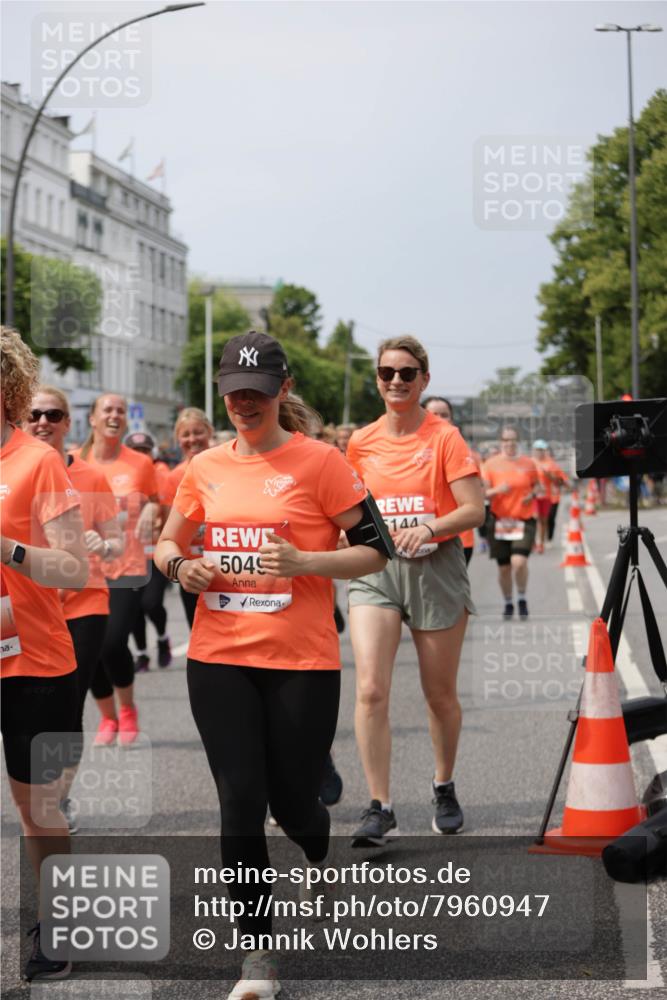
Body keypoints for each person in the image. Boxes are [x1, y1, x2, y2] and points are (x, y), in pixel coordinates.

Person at [155, 331, 388, 1000]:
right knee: (239, 801)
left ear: (282, 390)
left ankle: (316, 847)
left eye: (257, 392)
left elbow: (375, 550)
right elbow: (166, 542)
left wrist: (307, 561)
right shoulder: (204, 467)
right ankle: (257, 954)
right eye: (234, 393)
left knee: (292, 803)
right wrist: (180, 566)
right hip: (218, 657)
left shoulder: (321, 462)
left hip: (300, 660)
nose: (244, 404)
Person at [347, 336, 484, 845]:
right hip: (377, 569)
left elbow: (474, 509)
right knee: (370, 688)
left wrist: (429, 528)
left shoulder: (444, 437)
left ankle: (443, 785)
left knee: (439, 694)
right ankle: (380, 805)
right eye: (387, 373)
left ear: (424, 380)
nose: (397, 381)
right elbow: (348, 509)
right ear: (377, 380)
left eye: (408, 373)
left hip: (436, 567)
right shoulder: (361, 441)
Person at [0, 328, 89, 981]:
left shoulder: (38, 462)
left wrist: (7, 549)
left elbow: (72, 566)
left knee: (37, 809)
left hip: (31, 659)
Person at [24, 385, 122, 833]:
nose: (42, 422)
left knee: (68, 704)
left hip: (84, 604)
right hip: (26, 608)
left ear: (67, 422)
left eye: (52, 414)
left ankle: (58, 799)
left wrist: (104, 543)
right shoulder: (10, 469)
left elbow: (117, 541)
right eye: (34, 415)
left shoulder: (92, 477)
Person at [75, 396, 160, 745]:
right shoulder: (74, 461)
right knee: (88, 650)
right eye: (107, 410)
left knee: (111, 643)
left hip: (128, 564)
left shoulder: (140, 463)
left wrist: (152, 512)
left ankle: (127, 709)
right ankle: (108, 716)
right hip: (85, 568)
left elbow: (156, 502)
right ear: (92, 418)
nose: (114, 415)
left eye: (120, 411)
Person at [160, 407, 215, 629]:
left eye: (198, 432)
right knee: (199, 629)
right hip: (192, 569)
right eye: (186, 434)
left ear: (209, 431)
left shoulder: (225, 466)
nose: (192, 439)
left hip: (226, 565)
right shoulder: (174, 477)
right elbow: (169, 532)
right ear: (178, 439)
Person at [124, 431, 173, 671]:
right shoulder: (122, 477)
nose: (141, 455)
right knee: (133, 609)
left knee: (151, 603)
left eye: (145, 450)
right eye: (136, 450)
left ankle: (163, 638)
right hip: (129, 555)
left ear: (152, 453)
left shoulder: (161, 475)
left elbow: (169, 514)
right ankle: (142, 653)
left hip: (155, 553)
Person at [482, 427, 540, 618]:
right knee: (504, 568)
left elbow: (537, 487)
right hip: (499, 521)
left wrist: (531, 495)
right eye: (506, 440)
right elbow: (482, 493)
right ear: (501, 442)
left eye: (513, 439)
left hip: (524, 519)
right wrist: (497, 490)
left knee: (519, 562)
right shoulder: (490, 464)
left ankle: (522, 598)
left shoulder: (528, 463)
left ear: (518, 441)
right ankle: (508, 602)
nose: (510, 443)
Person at [423, 395, 482, 565]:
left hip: (458, 538)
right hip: (416, 537)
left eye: (445, 415)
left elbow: (477, 497)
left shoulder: (468, 455)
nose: (440, 419)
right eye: (434, 414)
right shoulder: (407, 452)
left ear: (452, 419)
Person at [531, 439, 569, 552]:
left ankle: (546, 540)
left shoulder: (551, 464)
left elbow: (563, 482)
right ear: (533, 450)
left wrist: (550, 476)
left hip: (550, 497)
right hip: (534, 497)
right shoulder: (530, 462)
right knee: (535, 518)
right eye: (537, 450)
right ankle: (536, 542)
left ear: (545, 451)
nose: (539, 452)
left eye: (541, 450)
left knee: (547, 519)